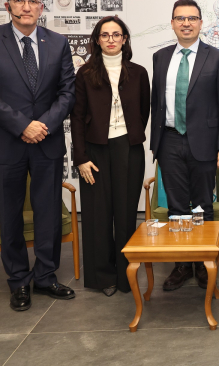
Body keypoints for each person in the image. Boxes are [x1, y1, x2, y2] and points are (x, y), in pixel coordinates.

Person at [0, 0, 76, 311]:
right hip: (5, 143)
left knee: (48, 213)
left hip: (46, 141)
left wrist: (43, 125)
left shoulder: (57, 42)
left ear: (42, 7)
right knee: (10, 215)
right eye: (19, 0)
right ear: (8, 5)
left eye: (33, 1)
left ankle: (45, 276)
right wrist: (22, 126)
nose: (26, 7)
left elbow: (67, 92)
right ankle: (18, 281)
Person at [149, 0, 219, 291]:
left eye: (192, 18)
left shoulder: (217, 58)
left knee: (202, 206)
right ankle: (182, 264)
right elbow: (157, 102)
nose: (186, 23)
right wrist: (156, 143)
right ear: (172, 23)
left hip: (205, 143)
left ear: (200, 23)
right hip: (169, 141)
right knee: (176, 207)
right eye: (180, 18)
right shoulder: (160, 57)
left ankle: (202, 262)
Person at [71, 15, 150, 296]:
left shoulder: (138, 73)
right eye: (105, 35)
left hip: (129, 149)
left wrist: (130, 135)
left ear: (125, 39)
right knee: (97, 215)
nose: (111, 40)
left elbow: (144, 111)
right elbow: (77, 118)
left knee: (126, 214)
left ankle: (125, 275)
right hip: (95, 151)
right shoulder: (85, 73)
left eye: (116, 34)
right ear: (97, 40)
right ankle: (102, 277)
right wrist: (81, 158)